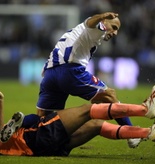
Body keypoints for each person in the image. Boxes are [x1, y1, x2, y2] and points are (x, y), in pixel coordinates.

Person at [36, 12, 140, 148]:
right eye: (114, 27)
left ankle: (38, 143)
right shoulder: (97, 29)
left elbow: (87, 24)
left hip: (50, 75)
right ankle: (131, 133)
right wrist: (101, 17)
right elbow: (91, 22)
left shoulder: (76, 31)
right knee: (109, 95)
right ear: (105, 21)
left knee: (46, 118)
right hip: (69, 72)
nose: (115, 33)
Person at [0, 83, 155, 156]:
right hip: (35, 138)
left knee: (97, 125)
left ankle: (148, 132)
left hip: (41, 149)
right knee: (88, 110)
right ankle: (144, 110)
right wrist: (0, 99)